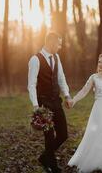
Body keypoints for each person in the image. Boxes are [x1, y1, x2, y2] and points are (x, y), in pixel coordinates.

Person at [28, 31, 73, 173]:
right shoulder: (35, 59)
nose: (60, 46)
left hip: (56, 101)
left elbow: (61, 78)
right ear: (51, 43)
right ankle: (52, 167)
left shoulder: (57, 58)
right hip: (44, 104)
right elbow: (31, 84)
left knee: (63, 134)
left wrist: (67, 96)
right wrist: (36, 106)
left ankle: (44, 157)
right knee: (49, 136)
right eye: (58, 44)